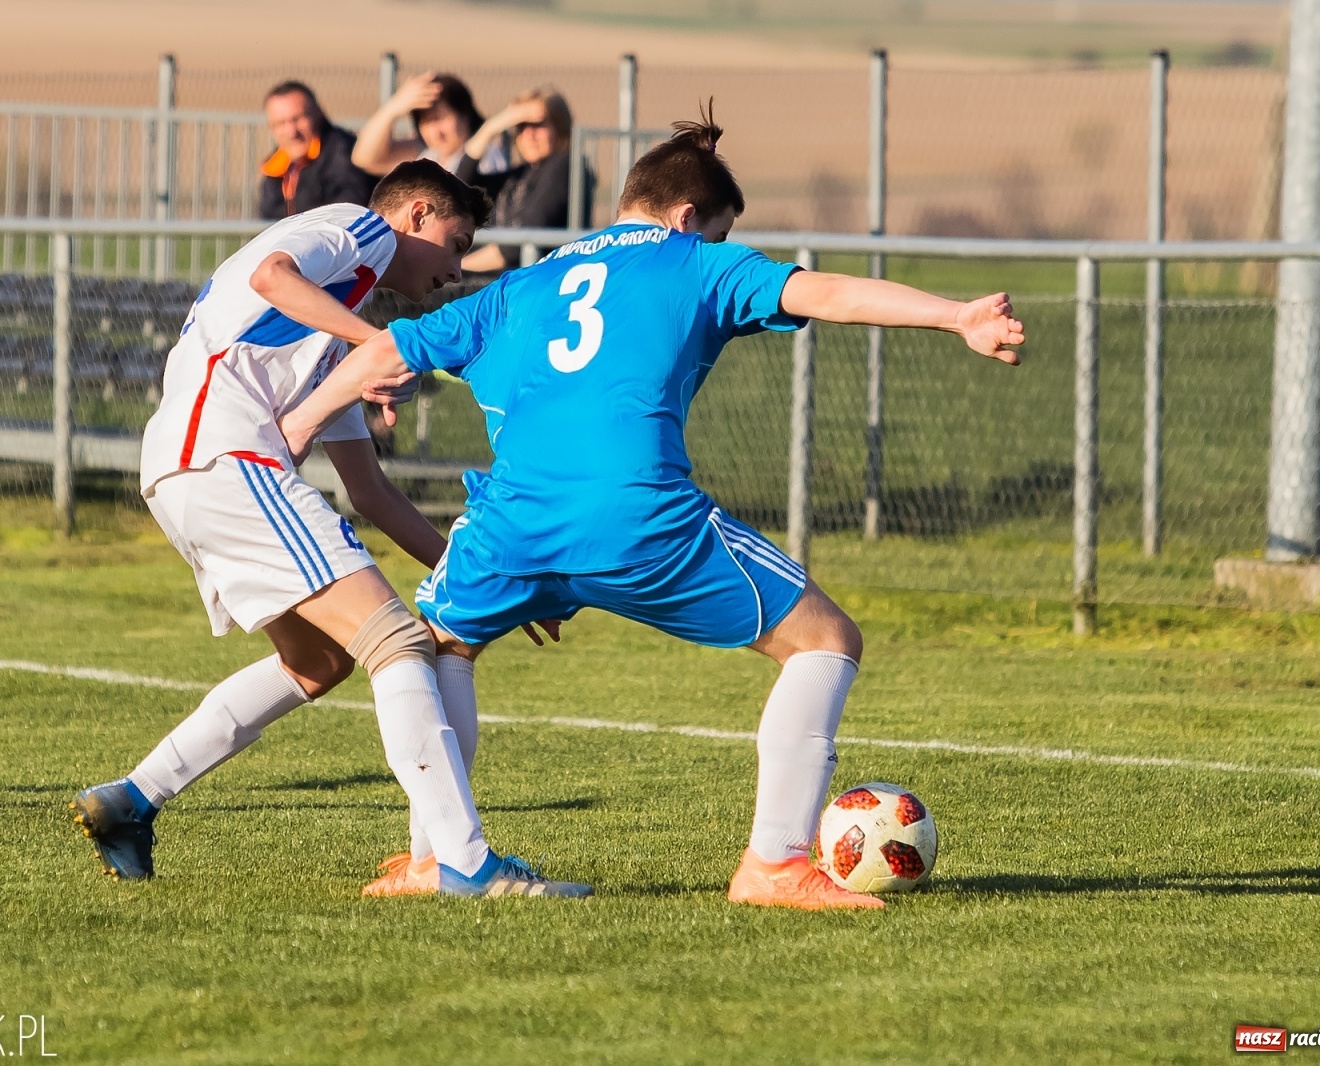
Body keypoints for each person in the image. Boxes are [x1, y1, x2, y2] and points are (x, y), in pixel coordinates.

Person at [278, 114, 1025, 908]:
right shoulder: (695, 262)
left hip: (515, 524)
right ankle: (773, 866)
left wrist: (297, 426)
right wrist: (956, 315)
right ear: (686, 216)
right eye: (720, 232)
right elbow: (829, 291)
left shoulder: (522, 286)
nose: (722, 246)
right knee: (826, 640)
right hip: (637, 516)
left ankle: (435, 856)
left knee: (441, 648)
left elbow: (385, 348)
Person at [69, 159, 590, 900]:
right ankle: (466, 866)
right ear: (415, 214)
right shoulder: (360, 228)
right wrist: (380, 346)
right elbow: (273, 276)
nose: (456, 268)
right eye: (455, 242)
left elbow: (373, 494)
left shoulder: (331, 335)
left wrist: (485, 579)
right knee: (398, 641)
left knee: (318, 663)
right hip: (224, 453)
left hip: (187, 468)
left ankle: (131, 801)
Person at [459, 87, 591, 274]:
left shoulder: (565, 166)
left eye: (537, 125)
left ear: (559, 127)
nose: (529, 135)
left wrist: (458, 269)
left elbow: (520, 241)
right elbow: (459, 191)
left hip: (538, 281)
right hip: (507, 279)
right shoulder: (520, 174)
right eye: (521, 126)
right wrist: (489, 129)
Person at [351, 72, 508, 180]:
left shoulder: (486, 156)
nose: (435, 132)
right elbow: (364, 159)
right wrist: (392, 109)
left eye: (440, 119)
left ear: (465, 115)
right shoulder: (428, 154)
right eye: (426, 122)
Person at [258, 80, 377, 219]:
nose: (292, 132)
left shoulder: (343, 153)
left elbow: (349, 210)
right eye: (280, 123)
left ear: (318, 113)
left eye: (297, 119)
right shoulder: (275, 167)